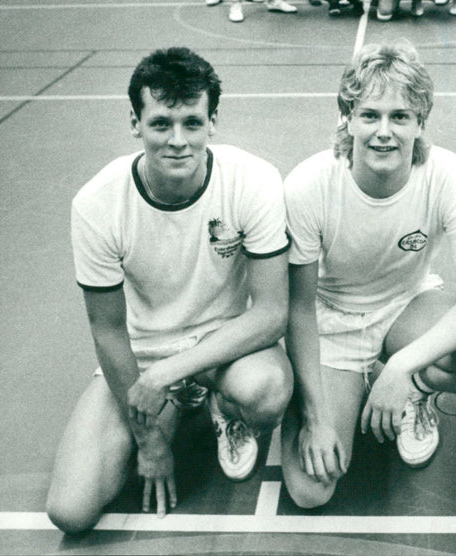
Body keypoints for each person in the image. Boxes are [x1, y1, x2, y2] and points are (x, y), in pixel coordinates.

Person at [46, 47, 293, 534]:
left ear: (212, 122)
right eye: (161, 123)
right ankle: (176, 411)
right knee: (70, 512)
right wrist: (148, 439)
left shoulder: (254, 181)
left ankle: (222, 407)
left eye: (192, 123)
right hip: (142, 354)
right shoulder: (97, 205)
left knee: (267, 391)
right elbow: (108, 329)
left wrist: (171, 373)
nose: (178, 140)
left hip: (226, 346)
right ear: (134, 123)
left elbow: (271, 314)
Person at [280, 42, 456, 509]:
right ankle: (319, 399)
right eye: (370, 115)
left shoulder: (448, 175)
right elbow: (298, 308)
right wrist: (316, 416)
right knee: (310, 491)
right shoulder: (308, 185)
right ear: (347, 118)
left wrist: (405, 370)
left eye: (400, 117)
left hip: (406, 307)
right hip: (332, 323)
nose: (384, 132)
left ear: (421, 121)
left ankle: (418, 393)